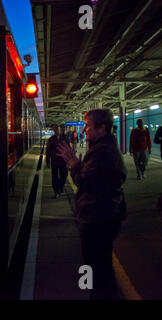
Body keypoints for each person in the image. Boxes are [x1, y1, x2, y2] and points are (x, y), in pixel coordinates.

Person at [57, 108, 127, 300]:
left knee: (95, 265)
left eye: (87, 126)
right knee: (102, 264)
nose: (84, 130)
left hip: (98, 217)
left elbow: (86, 182)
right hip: (104, 215)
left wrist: (73, 164)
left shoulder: (102, 153)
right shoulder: (103, 148)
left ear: (101, 128)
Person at [46, 124, 70, 198]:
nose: (56, 130)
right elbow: (48, 151)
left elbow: (68, 148)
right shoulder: (51, 139)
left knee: (64, 175)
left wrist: (69, 160)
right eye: (54, 129)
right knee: (54, 177)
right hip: (55, 161)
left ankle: (60, 187)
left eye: (57, 129)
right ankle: (56, 191)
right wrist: (47, 160)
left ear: (59, 129)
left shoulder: (65, 138)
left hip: (63, 160)